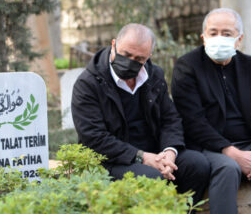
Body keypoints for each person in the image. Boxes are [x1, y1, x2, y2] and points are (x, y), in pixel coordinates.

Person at [71, 23, 210, 203]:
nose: (130, 62)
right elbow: (94, 137)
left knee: (197, 165)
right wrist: (141, 157)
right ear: (113, 45)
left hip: (155, 152)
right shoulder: (88, 84)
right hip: (112, 160)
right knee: (150, 177)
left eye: (139, 59)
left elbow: (170, 119)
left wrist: (169, 152)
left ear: (149, 57)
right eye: (126, 54)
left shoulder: (154, 75)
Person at [171, 8, 251, 214]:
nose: (219, 38)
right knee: (228, 168)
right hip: (207, 146)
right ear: (203, 37)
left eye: (227, 34)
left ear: (239, 39)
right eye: (213, 32)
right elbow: (193, 121)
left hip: (248, 141)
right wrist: (232, 153)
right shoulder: (187, 67)